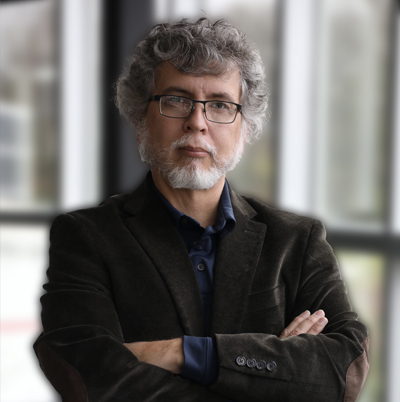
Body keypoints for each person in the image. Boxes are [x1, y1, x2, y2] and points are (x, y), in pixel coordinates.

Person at [33, 18, 369, 402]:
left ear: (245, 125)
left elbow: (346, 369)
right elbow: (88, 378)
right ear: (141, 116)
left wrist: (179, 353)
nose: (197, 122)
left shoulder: (297, 239)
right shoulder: (85, 236)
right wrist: (276, 373)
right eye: (176, 100)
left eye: (220, 105)